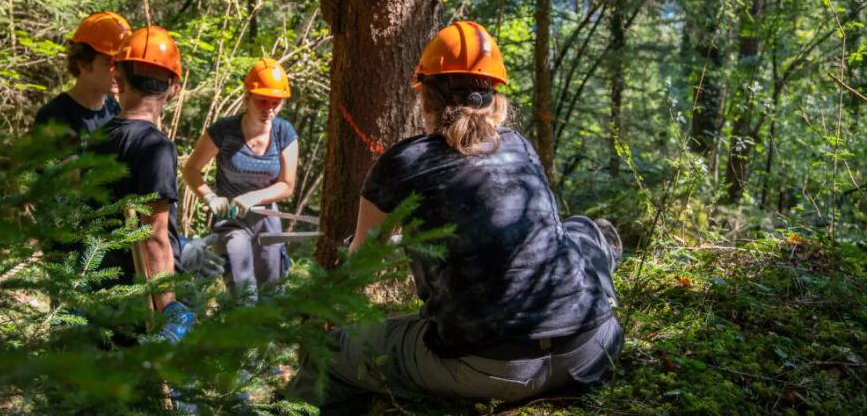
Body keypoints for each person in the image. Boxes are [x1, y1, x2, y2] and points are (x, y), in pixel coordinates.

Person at [287, 21, 624, 414]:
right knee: (582, 229)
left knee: (331, 351)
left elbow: (363, 261)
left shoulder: (403, 161)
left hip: (493, 367)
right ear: (495, 98)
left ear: (425, 98)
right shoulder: (522, 147)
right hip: (593, 348)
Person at [182, 58, 299, 303]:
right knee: (242, 284)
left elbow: (287, 185)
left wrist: (254, 197)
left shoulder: (284, 133)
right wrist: (210, 197)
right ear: (248, 98)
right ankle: (240, 335)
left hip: (267, 219)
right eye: (262, 101)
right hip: (230, 220)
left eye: (275, 103)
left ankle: (268, 337)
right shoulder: (224, 131)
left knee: (273, 289)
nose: (269, 108)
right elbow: (191, 169)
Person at [91, 25, 188, 320]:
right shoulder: (155, 146)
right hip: (140, 301)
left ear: (118, 79)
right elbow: (153, 237)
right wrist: (168, 307)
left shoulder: (97, 138)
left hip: (97, 291)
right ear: (173, 87)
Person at [35, 11, 130, 144]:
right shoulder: (53, 116)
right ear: (83, 63)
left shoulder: (114, 109)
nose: (119, 72)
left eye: (121, 64)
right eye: (109, 63)